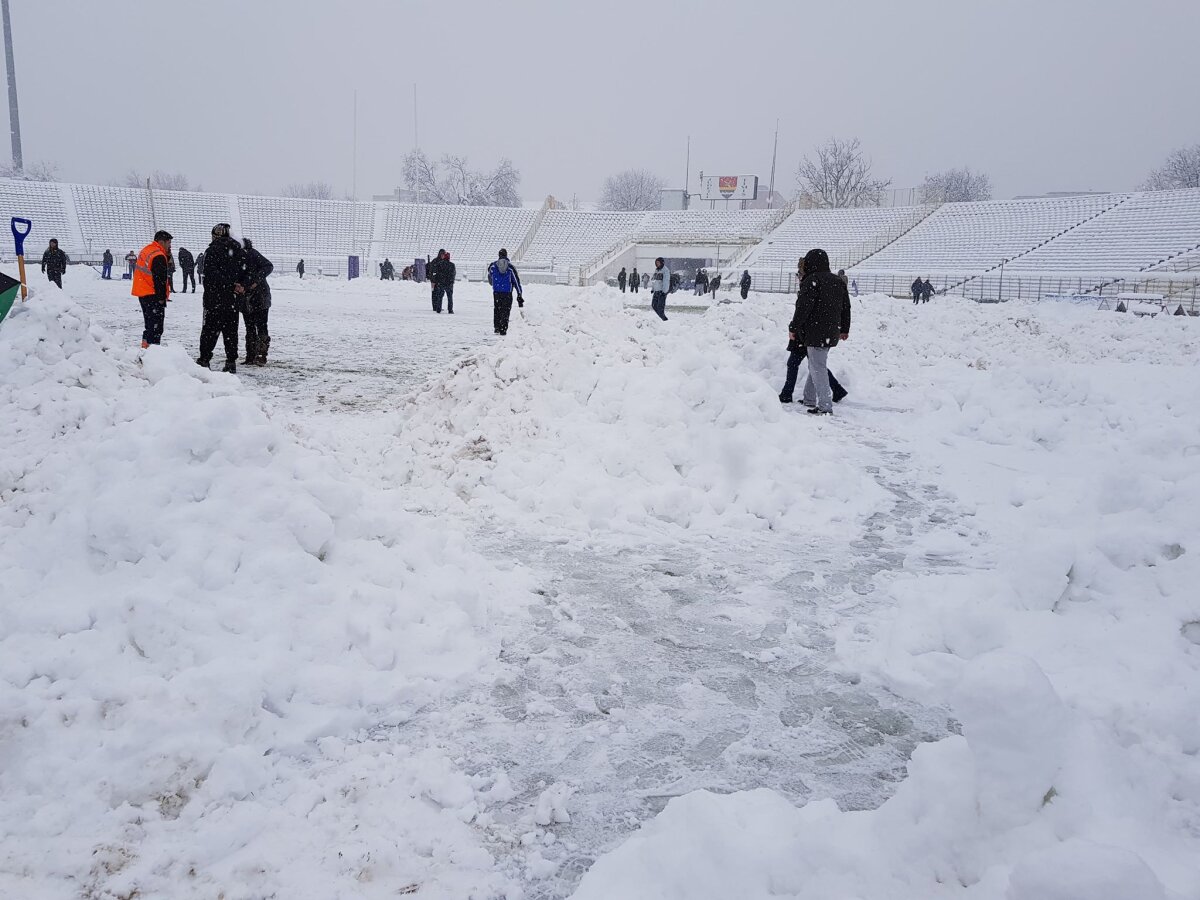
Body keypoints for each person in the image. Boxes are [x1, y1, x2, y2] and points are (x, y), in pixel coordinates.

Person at [784, 248, 851, 416]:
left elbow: (803, 308)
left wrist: (793, 327)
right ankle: (809, 398)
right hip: (832, 331)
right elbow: (846, 307)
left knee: (817, 367)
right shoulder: (838, 281)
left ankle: (825, 406)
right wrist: (844, 328)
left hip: (815, 331)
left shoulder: (812, 280)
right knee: (816, 364)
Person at [197, 223, 246, 374]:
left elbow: (210, 276)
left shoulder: (211, 250)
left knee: (209, 331)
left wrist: (226, 285)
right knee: (231, 331)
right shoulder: (239, 250)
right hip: (232, 299)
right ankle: (231, 361)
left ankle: (204, 359)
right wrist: (238, 285)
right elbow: (244, 271)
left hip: (214, 299)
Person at [131, 230, 173, 349]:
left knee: (149, 326)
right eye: (168, 243)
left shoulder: (147, 250)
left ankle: (145, 347)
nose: (170, 246)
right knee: (156, 328)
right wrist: (161, 298)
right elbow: (160, 279)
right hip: (153, 295)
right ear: (161, 242)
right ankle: (153, 352)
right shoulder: (158, 255)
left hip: (143, 292)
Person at [241, 238, 273, 366]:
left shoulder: (253, 254)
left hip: (260, 296)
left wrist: (255, 281)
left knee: (260, 325)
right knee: (249, 326)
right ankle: (251, 355)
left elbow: (269, 266)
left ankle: (261, 355)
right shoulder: (238, 257)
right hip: (247, 296)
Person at [488, 248, 523, 336]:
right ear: (506, 255)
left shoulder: (493, 266)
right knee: (506, 310)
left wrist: (495, 284)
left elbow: (490, 278)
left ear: (499, 255)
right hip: (507, 293)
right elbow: (516, 281)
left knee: (497, 309)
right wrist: (519, 293)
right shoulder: (510, 267)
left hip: (496, 292)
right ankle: (503, 328)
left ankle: (497, 327)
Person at [650, 257, 671, 321]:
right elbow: (654, 280)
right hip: (656, 291)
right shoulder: (657, 270)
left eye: (658, 263)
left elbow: (666, 281)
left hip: (662, 292)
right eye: (656, 263)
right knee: (654, 305)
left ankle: (664, 320)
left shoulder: (665, 270)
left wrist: (664, 291)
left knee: (660, 307)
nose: (657, 264)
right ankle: (661, 319)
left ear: (662, 263)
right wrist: (653, 288)